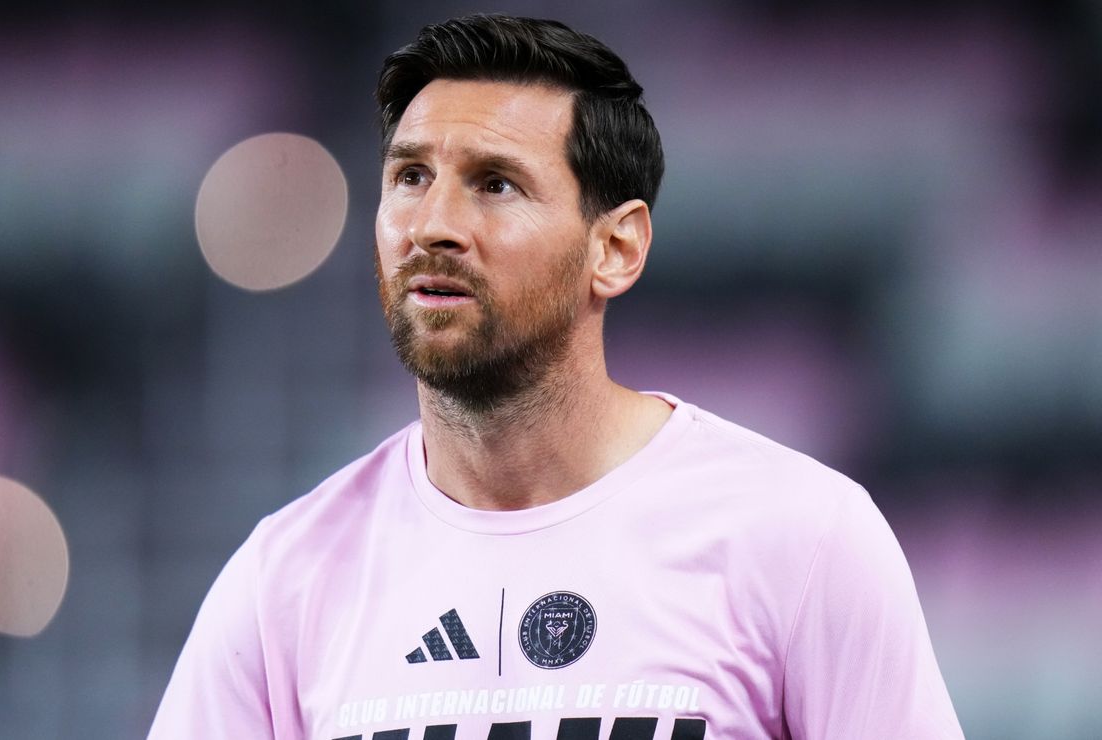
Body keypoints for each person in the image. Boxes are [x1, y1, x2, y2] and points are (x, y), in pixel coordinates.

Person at [150, 14, 963, 740]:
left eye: (495, 184)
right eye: (410, 177)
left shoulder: (800, 536)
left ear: (617, 248)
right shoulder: (284, 580)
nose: (433, 226)